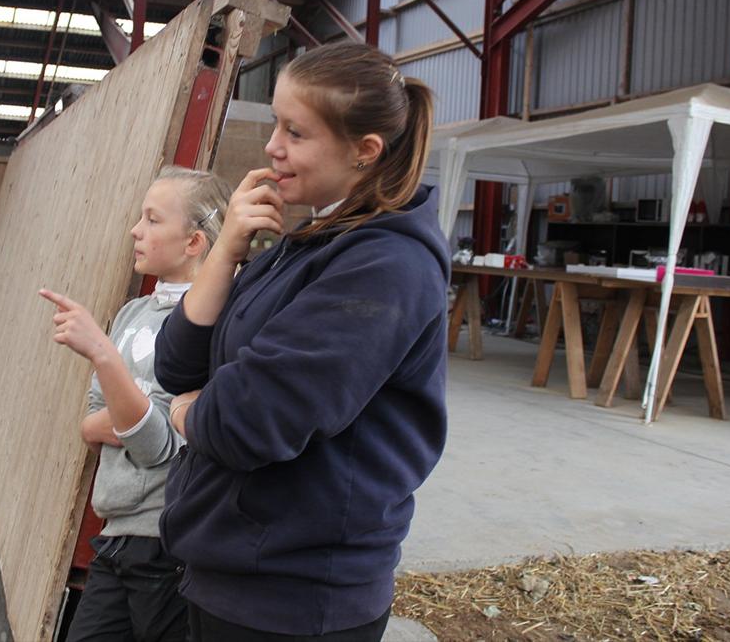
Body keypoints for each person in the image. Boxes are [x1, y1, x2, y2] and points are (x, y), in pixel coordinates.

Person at [154, 42, 450, 641]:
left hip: (294, 598)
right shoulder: (309, 241)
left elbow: (248, 418)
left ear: (364, 152)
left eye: (295, 130)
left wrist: (187, 415)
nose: (272, 146)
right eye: (274, 123)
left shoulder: (385, 264)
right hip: (236, 566)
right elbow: (176, 362)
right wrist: (228, 249)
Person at [40, 165, 231, 642]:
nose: (135, 230)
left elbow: (157, 447)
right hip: (115, 535)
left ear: (194, 243)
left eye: (152, 219)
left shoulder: (211, 327)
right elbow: (90, 421)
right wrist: (140, 407)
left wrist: (104, 356)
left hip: (167, 546)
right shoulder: (133, 313)